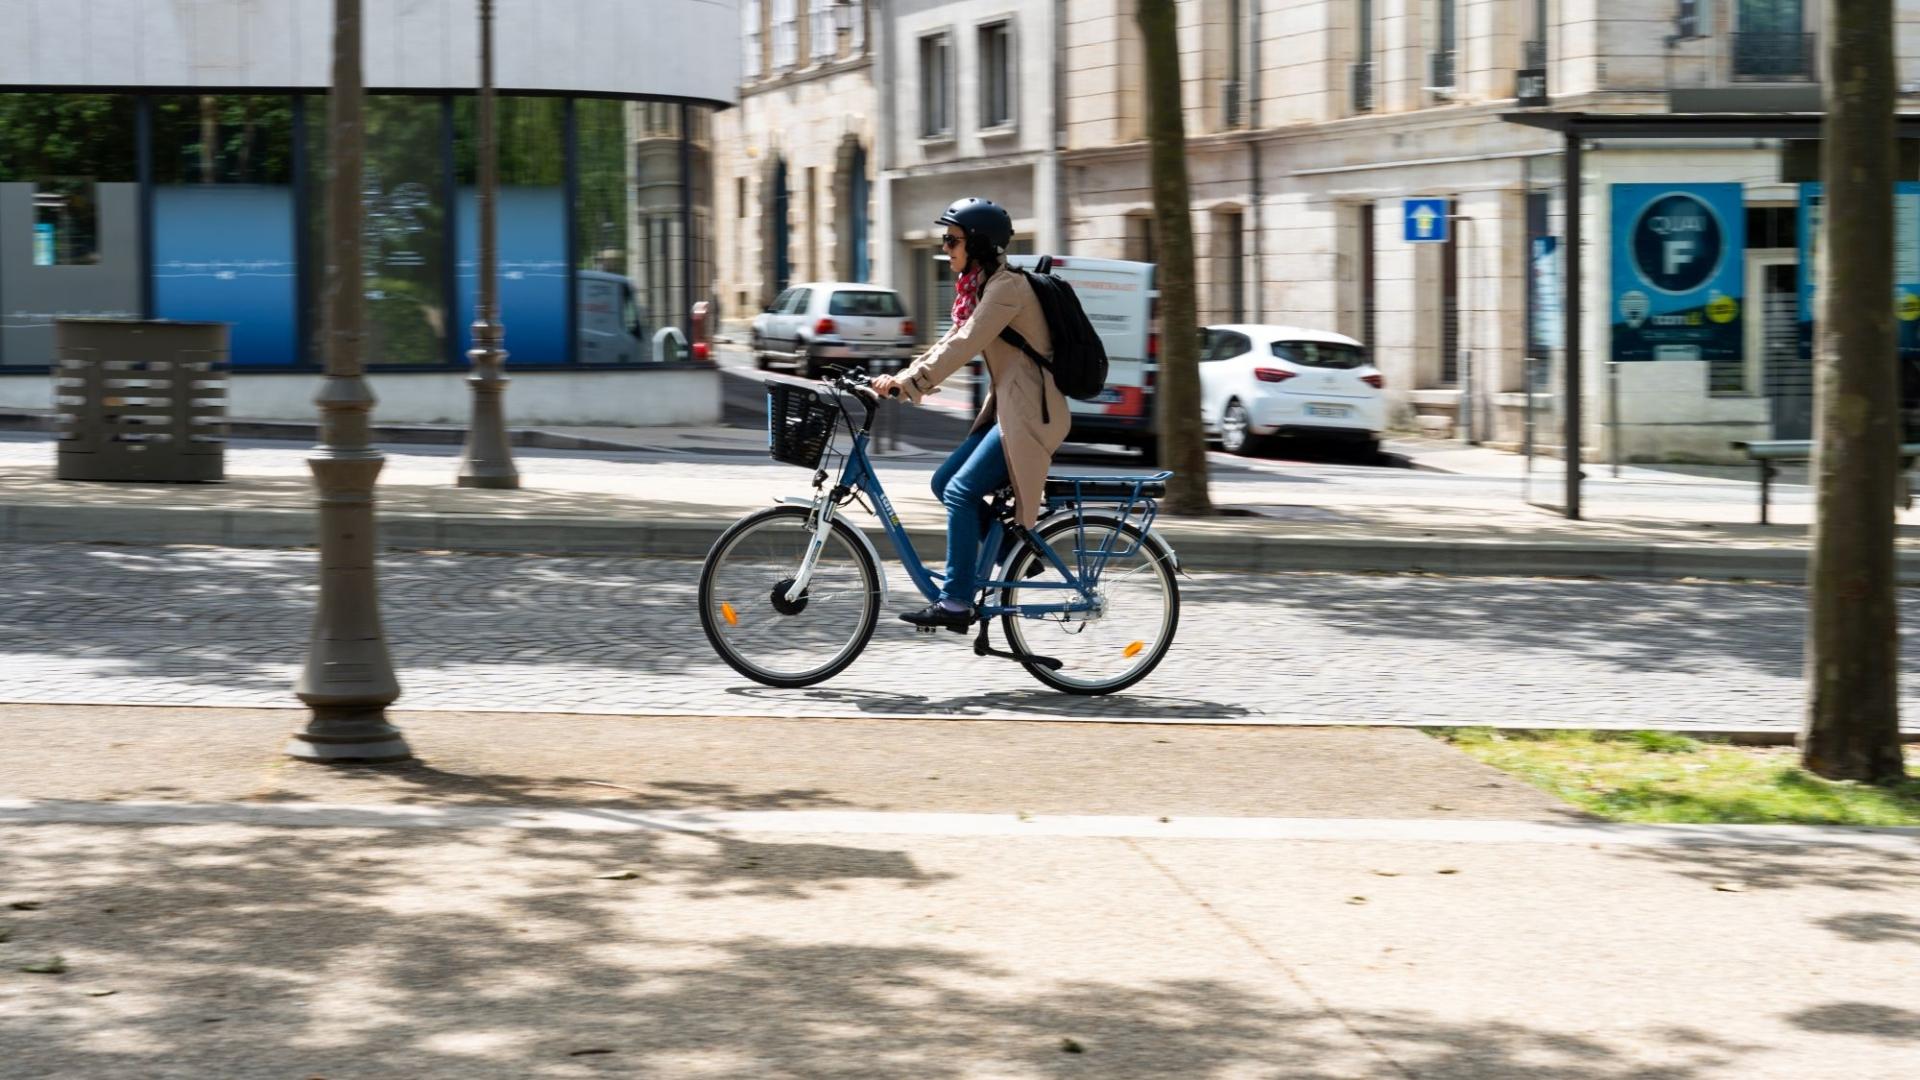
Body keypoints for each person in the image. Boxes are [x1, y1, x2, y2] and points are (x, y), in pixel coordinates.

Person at [872, 198, 1070, 630]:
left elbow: (965, 345)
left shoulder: (1006, 289)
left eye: (952, 239)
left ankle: (956, 602)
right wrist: (903, 377)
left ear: (977, 244)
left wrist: (911, 384)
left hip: (1030, 417)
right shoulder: (983, 287)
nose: (945, 247)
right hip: (1012, 412)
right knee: (944, 483)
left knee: (961, 492)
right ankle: (1012, 556)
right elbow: (951, 341)